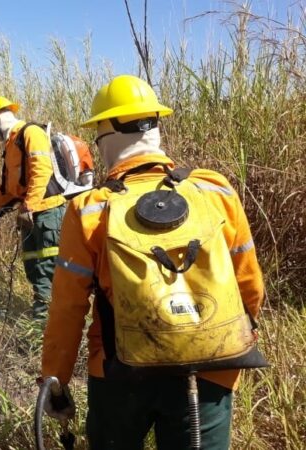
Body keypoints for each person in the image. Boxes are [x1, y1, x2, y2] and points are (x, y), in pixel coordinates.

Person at [40, 75, 265, 449]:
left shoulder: (90, 208)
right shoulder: (215, 190)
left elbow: (68, 309)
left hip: (119, 373)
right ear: (155, 126)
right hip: (210, 369)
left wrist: (55, 380)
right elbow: (250, 287)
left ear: (106, 134)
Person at [0, 96, 66, 321]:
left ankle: (44, 324)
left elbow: (42, 171)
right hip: (30, 215)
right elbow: (8, 191)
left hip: (47, 213)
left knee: (46, 269)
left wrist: (29, 207)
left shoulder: (31, 133)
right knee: (32, 267)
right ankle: (43, 318)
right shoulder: (11, 145)